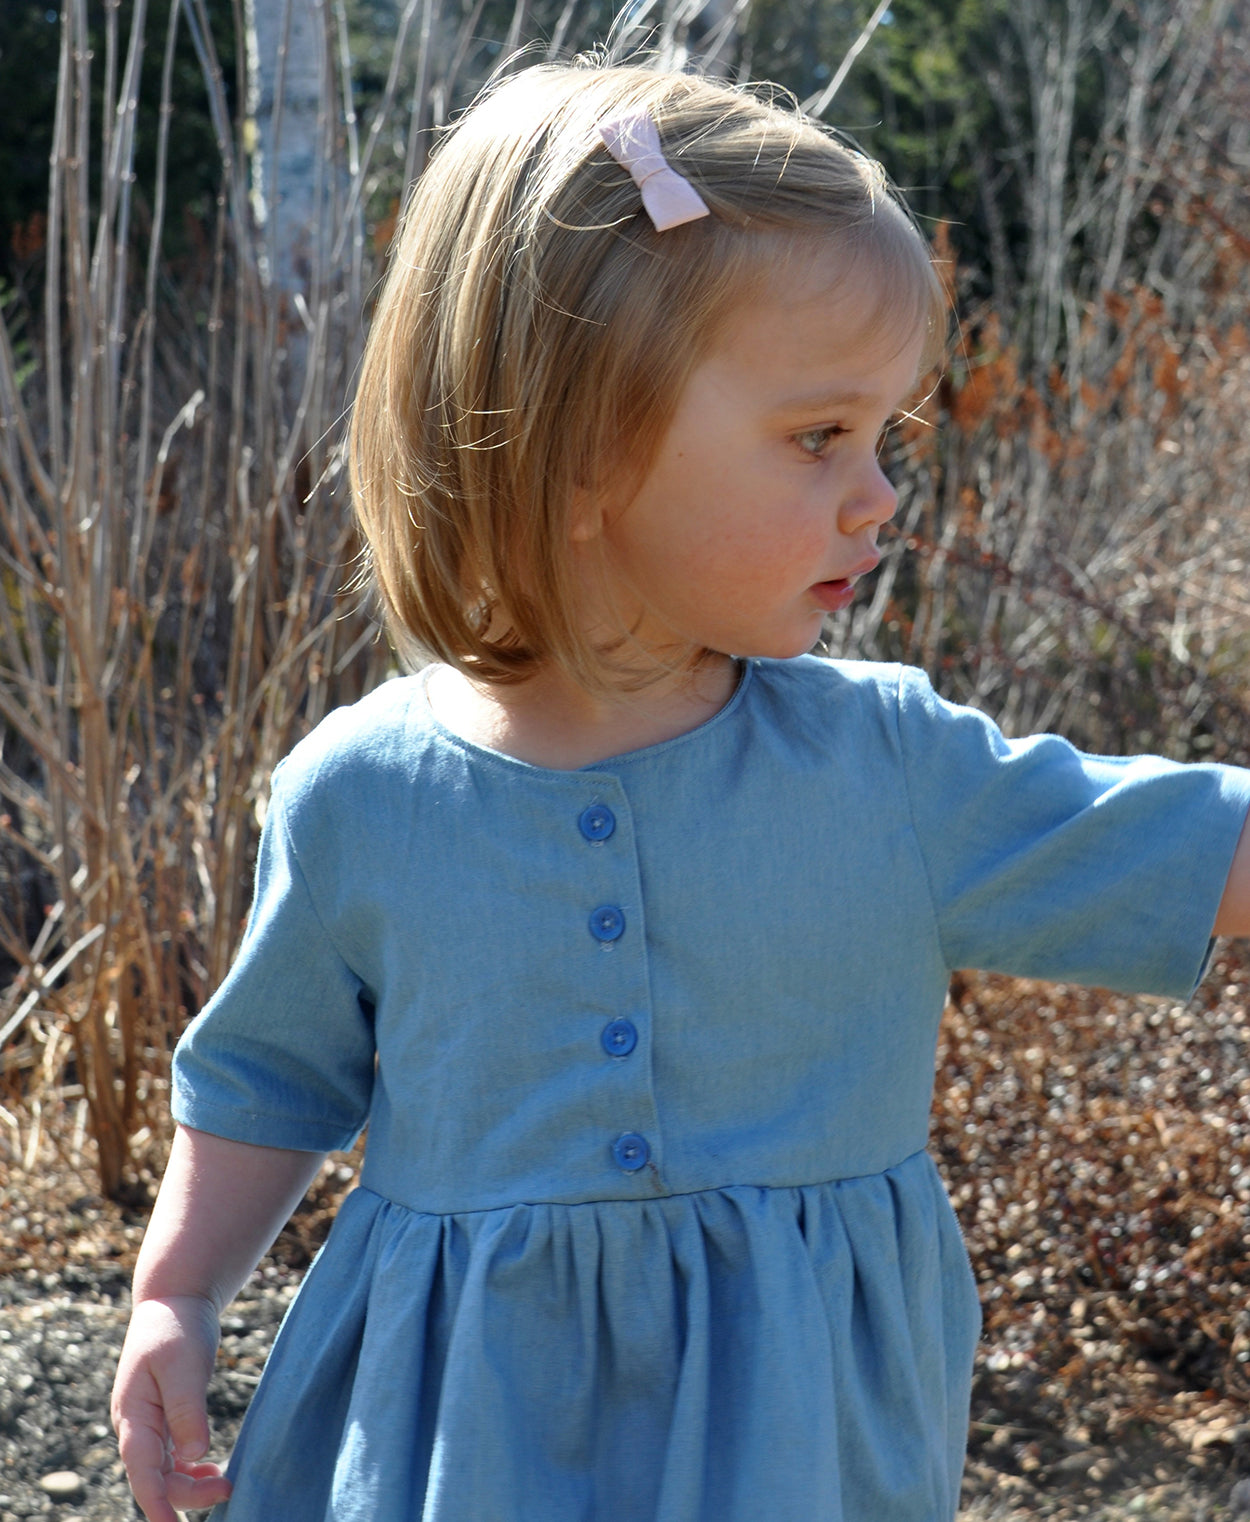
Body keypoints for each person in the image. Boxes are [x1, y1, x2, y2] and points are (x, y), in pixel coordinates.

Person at [110, 60, 1250, 1522]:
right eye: (817, 436)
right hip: (456, 1450)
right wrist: (177, 1295)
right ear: (581, 440)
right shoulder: (361, 796)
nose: (880, 495)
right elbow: (266, 1071)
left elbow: (1185, 845)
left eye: (884, 436)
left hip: (791, 1460)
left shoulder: (883, 767)